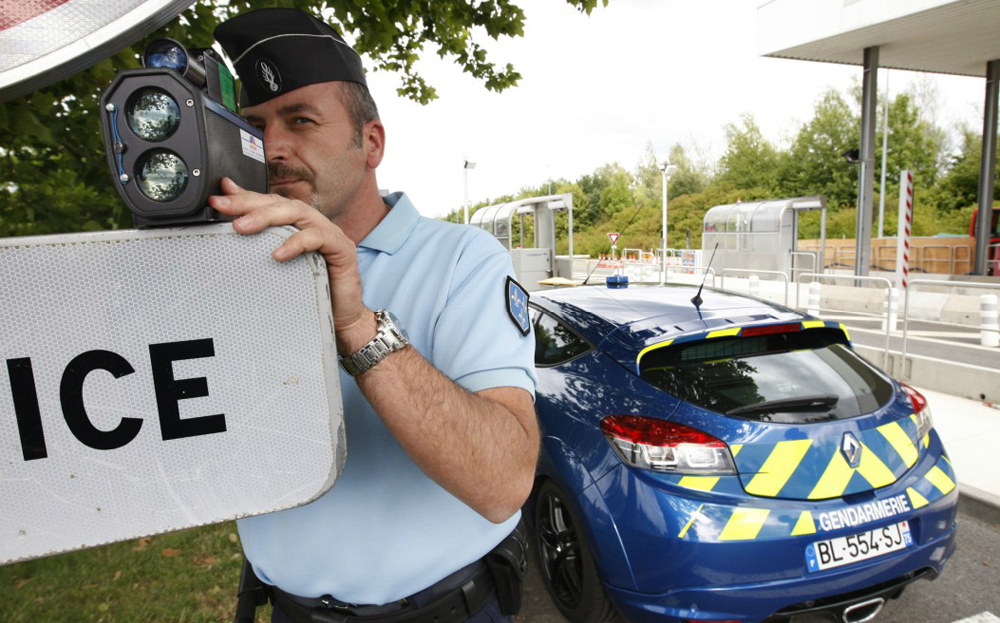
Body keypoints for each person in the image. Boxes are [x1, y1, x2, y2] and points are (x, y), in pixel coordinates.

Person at [211, 8, 539, 623]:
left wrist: (357, 325)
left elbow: (504, 482)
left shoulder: (462, 259)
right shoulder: (230, 269)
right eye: (254, 126)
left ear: (371, 143)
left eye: (301, 120)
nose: (273, 147)